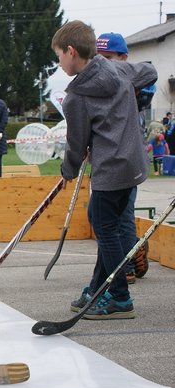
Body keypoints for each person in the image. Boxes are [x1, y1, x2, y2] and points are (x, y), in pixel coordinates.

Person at [52, 20, 157, 319]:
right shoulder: (120, 70)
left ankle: (120, 298)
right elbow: (149, 71)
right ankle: (98, 287)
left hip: (112, 169)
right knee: (105, 223)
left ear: (72, 52)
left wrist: (67, 170)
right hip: (134, 164)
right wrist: (132, 90)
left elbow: (76, 143)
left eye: (59, 55)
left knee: (105, 228)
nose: (59, 63)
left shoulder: (76, 97)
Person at [96, 32, 151, 283]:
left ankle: (126, 265)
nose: (103, 63)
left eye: (108, 58)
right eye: (98, 58)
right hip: (108, 162)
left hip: (127, 163)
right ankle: (132, 250)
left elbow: (149, 72)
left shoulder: (130, 84)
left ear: (123, 58)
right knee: (97, 216)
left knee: (122, 215)